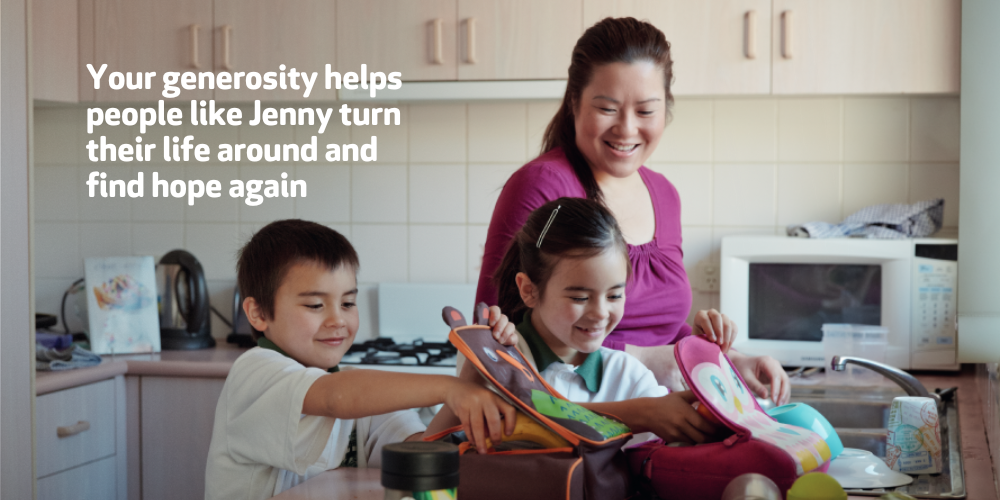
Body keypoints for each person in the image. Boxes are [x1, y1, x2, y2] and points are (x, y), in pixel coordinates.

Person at [475, 17, 788, 405]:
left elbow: (667, 332)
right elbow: (494, 334)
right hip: (583, 422)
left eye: (645, 111)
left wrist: (727, 359)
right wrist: (640, 362)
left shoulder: (664, 195)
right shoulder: (543, 185)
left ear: (666, 110)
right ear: (574, 103)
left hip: (664, 415)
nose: (626, 129)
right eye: (607, 108)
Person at [205, 220, 518, 500]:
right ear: (258, 313)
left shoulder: (361, 396)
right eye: (315, 305)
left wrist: (475, 373)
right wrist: (449, 388)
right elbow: (334, 396)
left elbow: (420, 449)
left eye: (348, 302)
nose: (337, 320)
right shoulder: (255, 372)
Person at [431, 198, 720, 444]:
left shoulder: (628, 376)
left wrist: (706, 369)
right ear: (529, 290)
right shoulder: (493, 355)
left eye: (614, 295)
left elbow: (677, 442)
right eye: (580, 298)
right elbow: (437, 448)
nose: (600, 313)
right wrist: (641, 413)